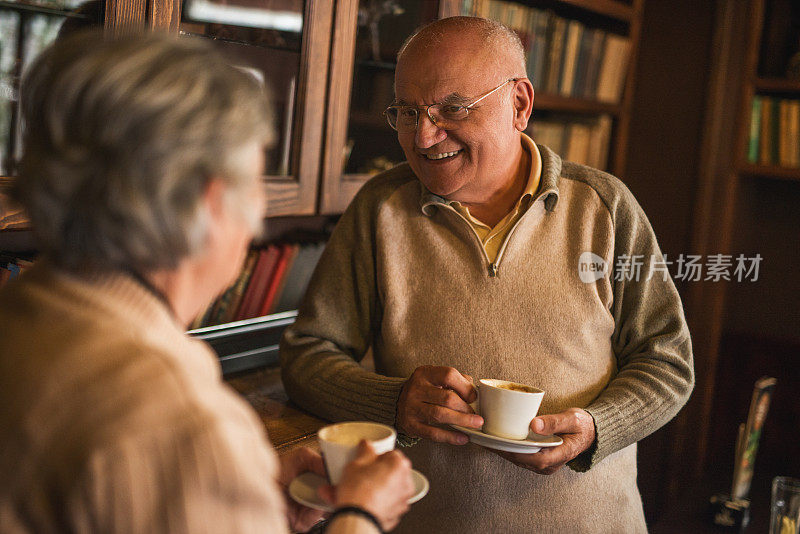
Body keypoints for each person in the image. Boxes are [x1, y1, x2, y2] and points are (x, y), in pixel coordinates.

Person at [280, 16, 695, 533]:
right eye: (408, 112)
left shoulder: (605, 208)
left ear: (519, 103)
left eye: (451, 109)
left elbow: (668, 362)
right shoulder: (380, 209)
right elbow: (306, 355)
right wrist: (393, 402)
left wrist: (595, 427)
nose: (425, 137)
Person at [0, 32, 414, 533]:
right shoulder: (185, 424)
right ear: (208, 203)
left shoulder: (20, 312)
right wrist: (359, 515)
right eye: (256, 183)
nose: (259, 215)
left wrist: (246, 503)